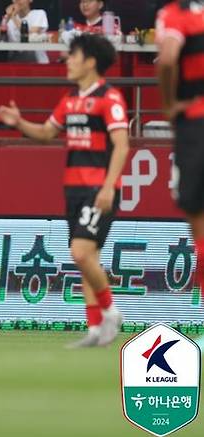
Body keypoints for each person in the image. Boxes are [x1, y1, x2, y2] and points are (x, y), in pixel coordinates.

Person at [0, 34, 128, 348]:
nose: (67, 61)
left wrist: (109, 187)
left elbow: (122, 145)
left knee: (80, 253)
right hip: (73, 188)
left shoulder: (109, 98)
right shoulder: (70, 99)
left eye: (73, 56)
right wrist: (19, 122)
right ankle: (96, 329)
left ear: (90, 61)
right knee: (88, 259)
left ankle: (111, 311)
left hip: (99, 188)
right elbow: (45, 133)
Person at [155, 0, 204, 352]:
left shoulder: (175, 13)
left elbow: (169, 58)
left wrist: (170, 103)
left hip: (196, 123)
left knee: (200, 224)